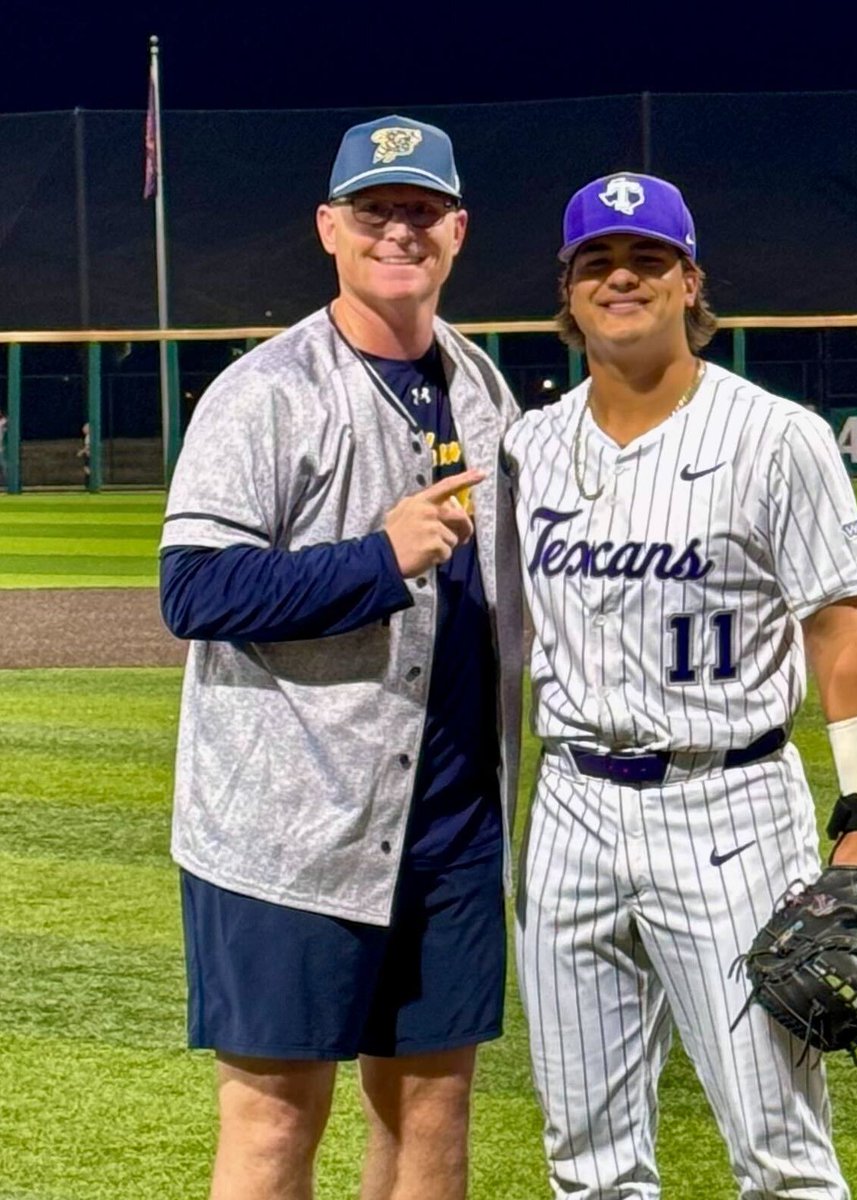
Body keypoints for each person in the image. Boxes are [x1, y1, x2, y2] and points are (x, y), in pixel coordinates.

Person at [503, 172, 857, 1199]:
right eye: (598, 262)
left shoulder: (778, 436)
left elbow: (843, 633)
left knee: (779, 1155)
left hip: (730, 808)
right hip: (573, 807)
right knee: (585, 1163)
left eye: (647, 260)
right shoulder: (530, 447)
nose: (621, 277)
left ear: (690, 283)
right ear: (570, 289)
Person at [158, 115, 522, 1200]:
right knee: (275, 1119)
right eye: (375, 212)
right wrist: (378, 557)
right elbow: (195, 590)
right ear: (330, 227)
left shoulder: (484, 387)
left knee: (432, 1109)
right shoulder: (266, 391)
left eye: (419, 211)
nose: (397, 231)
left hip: (451, 824)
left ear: (457, 230)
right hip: (291, 824)